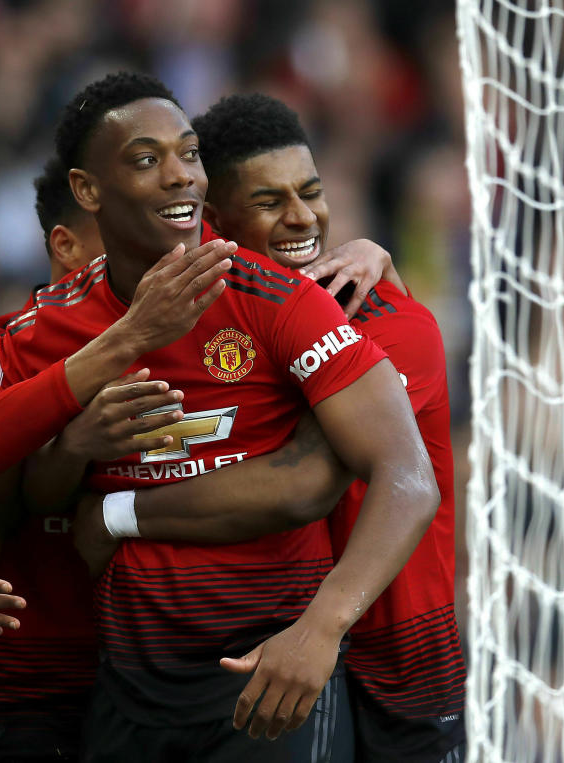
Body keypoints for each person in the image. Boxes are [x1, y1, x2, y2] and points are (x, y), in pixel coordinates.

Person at [0, 72, 438, 761]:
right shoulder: (49, 325)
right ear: (87, 192)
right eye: (146, 159)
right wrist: (73, 446)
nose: (178, 177)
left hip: (284, 674)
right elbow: (25, 497)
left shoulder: (291, 303)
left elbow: (380, 476)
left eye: (188, 155)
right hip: (126, 690)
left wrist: (320, 627)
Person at [0, 156, 236, 761]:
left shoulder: (228, 348)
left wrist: (371, 258)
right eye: (130, 229)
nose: (168, 247)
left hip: (171, 691)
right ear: (67, 245)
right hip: (26, 698)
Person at [192, 93, 465, 762]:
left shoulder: (392, 322)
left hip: (404, 658)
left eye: (311, 192)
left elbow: (308, 479)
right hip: (280, 654)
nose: (302, 216)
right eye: (269, 201)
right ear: (213, 220)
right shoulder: (206, 330)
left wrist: (120, 513)